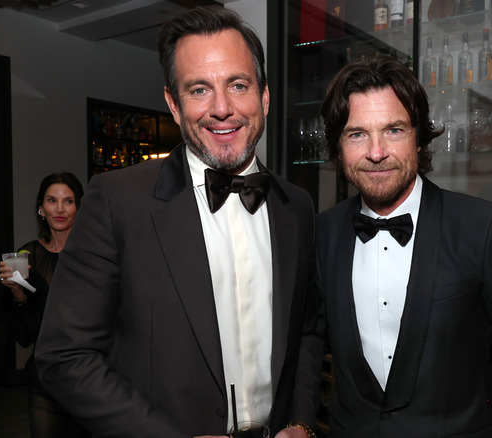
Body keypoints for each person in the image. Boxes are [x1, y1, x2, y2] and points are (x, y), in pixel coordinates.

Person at [34, 6, 322, 438]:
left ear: (264, 95)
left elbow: (307, 331)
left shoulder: (295, 205)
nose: (221, 109)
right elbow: (64, 356)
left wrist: (301, 421)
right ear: (173, 103)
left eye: (238, 85)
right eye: (199, 90)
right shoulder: (117, 201)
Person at [315, 55, 492, 436]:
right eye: (357, 134)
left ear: (419, 136)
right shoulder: (323, 232)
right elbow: (311, 340)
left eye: (393, 130)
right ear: (339, 145)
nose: (376, 152)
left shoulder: (485, 228)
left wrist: (473, 421)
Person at [0, 172, 89, 438]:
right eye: (52, 201)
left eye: (68, 201)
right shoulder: (29, 256)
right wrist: (17, 294)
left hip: (89, 375)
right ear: (41, 208)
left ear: (78, 207)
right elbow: (26, 336)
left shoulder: (94, 253)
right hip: (44, 377)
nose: (60, 209)